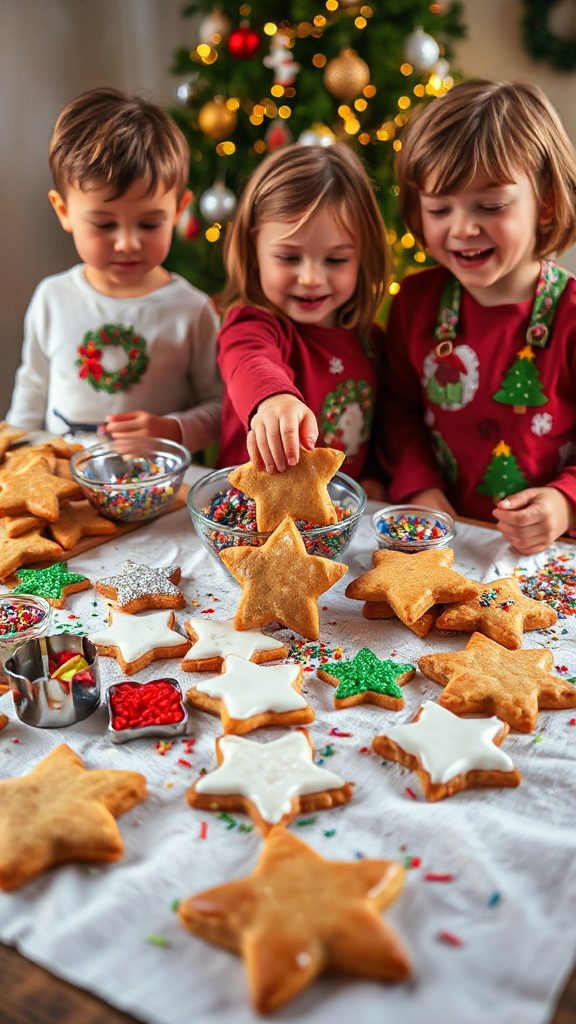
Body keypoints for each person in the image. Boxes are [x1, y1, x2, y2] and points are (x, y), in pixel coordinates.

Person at [381, 79, 576, 554]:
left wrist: (563, 502)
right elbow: (395, 410)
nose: (463, 228)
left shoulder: (570, 314)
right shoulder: (414, 301)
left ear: (545, 202)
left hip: (547, 553)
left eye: (490, 205)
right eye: (439, 208)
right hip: (439, 540)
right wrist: (419, 487)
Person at [7, 88, 221, 454]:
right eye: (104, 226)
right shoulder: (53, 298)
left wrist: (172, 429)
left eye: (150, 224)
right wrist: (12, 457)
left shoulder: (192, 310)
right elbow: (31, 391)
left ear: (179, 209)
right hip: (65, 484)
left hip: (158, 490)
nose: (127, 243)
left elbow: (222, 408)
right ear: (63, 211)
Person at [216, 142, 389, 485]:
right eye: (289, 258)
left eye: (336, 260)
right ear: (254, 254)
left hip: (336, 522)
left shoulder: (371, 341)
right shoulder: (251, 322)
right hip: (248, 518)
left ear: (362, 257)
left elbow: (386, 428)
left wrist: (374, 478)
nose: (311, 278)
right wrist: (273, 399)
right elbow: (248, 359)